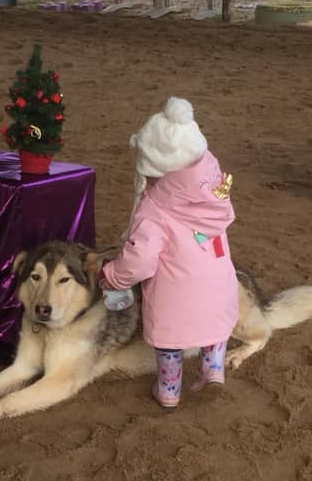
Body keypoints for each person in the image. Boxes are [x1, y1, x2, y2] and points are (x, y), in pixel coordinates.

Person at [98, 97, 238, 409]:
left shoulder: (154, 210)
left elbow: (140, 261)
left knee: (170, 343)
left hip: (174, 291)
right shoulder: (213, 191)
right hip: (218, 282)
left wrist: (113, 275)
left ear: (156, 168)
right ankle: (213, 370)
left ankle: (168, 389)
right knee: (215, 326)